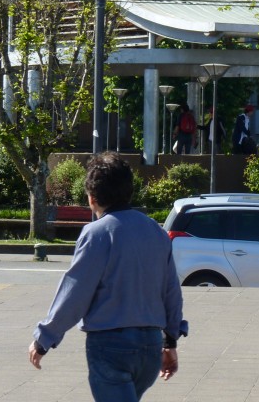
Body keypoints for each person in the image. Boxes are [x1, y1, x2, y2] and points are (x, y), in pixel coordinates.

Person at [29, 152, 186, 400]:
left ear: (92, 199)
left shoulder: (97, 233)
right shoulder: (155, 232)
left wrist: (44, 339)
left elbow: (76, 292)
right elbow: (171, 292)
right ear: (129, 191)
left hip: (111, 346)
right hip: (150, 346)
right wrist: (171, 341)